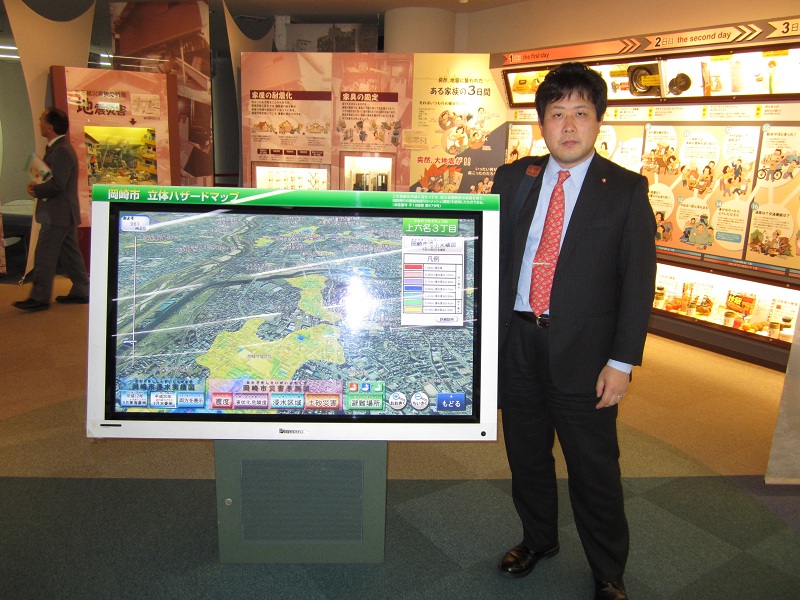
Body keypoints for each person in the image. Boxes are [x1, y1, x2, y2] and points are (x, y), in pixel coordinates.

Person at [492, 62, 656, 600]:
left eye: (580, 113)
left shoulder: (625, 190)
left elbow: (637, 283)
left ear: (598, 121)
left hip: (586, 355)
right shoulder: (514, 178)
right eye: (556, 113)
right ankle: (538, 539)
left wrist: (622, 361)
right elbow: (489, 259)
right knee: (526, 455)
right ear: (541, 122)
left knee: (594, 469)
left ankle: (608, 570)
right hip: (518, 343)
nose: (568, 125)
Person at [13, 107, 89, 311]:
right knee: (71, 255)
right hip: (64, 213)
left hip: (57, 214)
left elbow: (58, 184)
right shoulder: (59, 148)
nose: (39, 122)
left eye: (42, 120)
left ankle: (39, 297)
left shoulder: (61, 150)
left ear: (50, 126)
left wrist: (36, 189)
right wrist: (39, 186)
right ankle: (82, 290)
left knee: (44, 255)